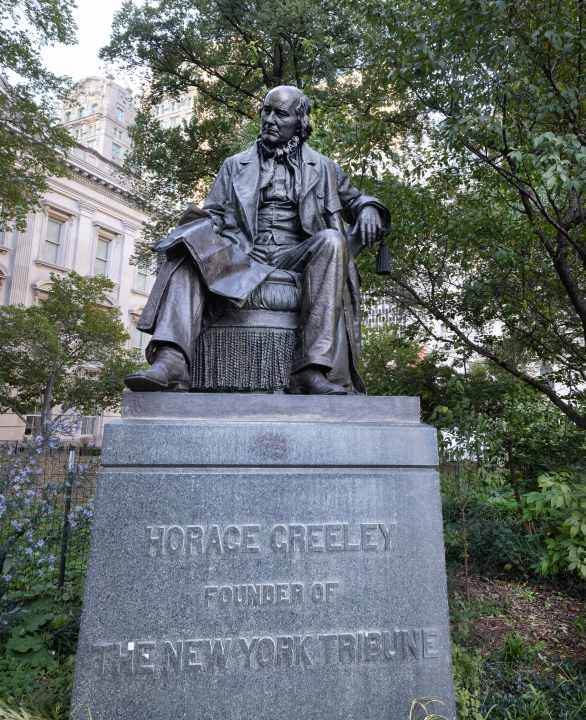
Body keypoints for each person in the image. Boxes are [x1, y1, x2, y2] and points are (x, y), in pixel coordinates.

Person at [125, 86, 391, 395]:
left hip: (297, 255)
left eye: (280, 113)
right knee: (189, 245)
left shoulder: (325, 168)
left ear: (300, 122)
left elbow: (356, 201)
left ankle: (309, 369)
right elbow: (212, 214)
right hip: (243, 255)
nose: (269, 119)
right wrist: (192, 234)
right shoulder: (235, 165)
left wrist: (370, 208)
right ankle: (172, 361)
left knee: (332, 239)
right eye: (266, 111)